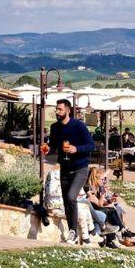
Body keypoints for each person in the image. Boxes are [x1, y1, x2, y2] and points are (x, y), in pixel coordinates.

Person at [41, 98, 94, 245]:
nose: (57, 112)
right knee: (66, 201)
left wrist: (76, 149)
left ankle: (73, 232)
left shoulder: (79, 126)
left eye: (60, 109)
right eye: (56, 109)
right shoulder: (55, 127)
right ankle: (73, 233)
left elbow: (91, 145)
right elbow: (53, 146)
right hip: (65, 168)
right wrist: (47, 148)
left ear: (68, 111)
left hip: (80, 168)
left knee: (71, 197)